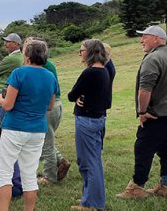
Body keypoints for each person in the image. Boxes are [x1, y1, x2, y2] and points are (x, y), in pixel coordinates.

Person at [117, 26, 167, 199]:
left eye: (144, 37)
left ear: (156, 38)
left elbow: (145, 90)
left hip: (157, 113)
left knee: (143, 148)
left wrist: (142, 111)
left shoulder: (152, 59)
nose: (141, 41)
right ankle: (166, 187)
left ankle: (136, 188)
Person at [0, 38, 57, 211]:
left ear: (27, 54)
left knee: (3, 173)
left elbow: (8, 105)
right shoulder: (50, 76)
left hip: (14, 127)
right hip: (37, 130)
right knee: (29, 176)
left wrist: (0, 98)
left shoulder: (18, 73)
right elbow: (50, 105)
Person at [68, 39, 110, 210]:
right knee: (94, 161)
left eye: (82, 50)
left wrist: (78, 97)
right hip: (97, 119)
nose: (80, 53)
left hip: (87, 121)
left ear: (91, 52)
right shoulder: (105, 71)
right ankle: (92, 199)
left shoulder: (90, 73)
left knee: (88, 162)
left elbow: (71, 95)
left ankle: (92, 203)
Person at [38, 57, 70, 184]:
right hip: (54, 105)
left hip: (48, 107)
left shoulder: (43, 67)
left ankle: (49, 177)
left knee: (47, 143)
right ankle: (61, 161)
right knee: (45, 141)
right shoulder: (48, 65)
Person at [0, 33, 23, 122]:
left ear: (16, 44)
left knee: (0, 119)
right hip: (15, 89)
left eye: (8, 42)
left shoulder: (11, 59)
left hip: (5, 90)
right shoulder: (21, 56)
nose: (5, 44)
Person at [101, 43, 116, 147]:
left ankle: (99, 144)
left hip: (102, 98)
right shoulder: (109, 64)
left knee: (100, 121)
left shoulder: (106, 66)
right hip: (105, 97)